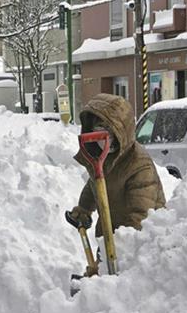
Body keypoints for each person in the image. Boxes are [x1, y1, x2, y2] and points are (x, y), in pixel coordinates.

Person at [65, 93, 166, 239]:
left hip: (142, 240)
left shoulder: (139, 165)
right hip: (109, 231)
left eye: (113, 131)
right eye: (101, 129)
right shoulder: (102, 157)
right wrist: (84, 209)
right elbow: (95, 183)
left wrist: (125, 244)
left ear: (124, 131)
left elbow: (141, 214)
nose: (107, 138)